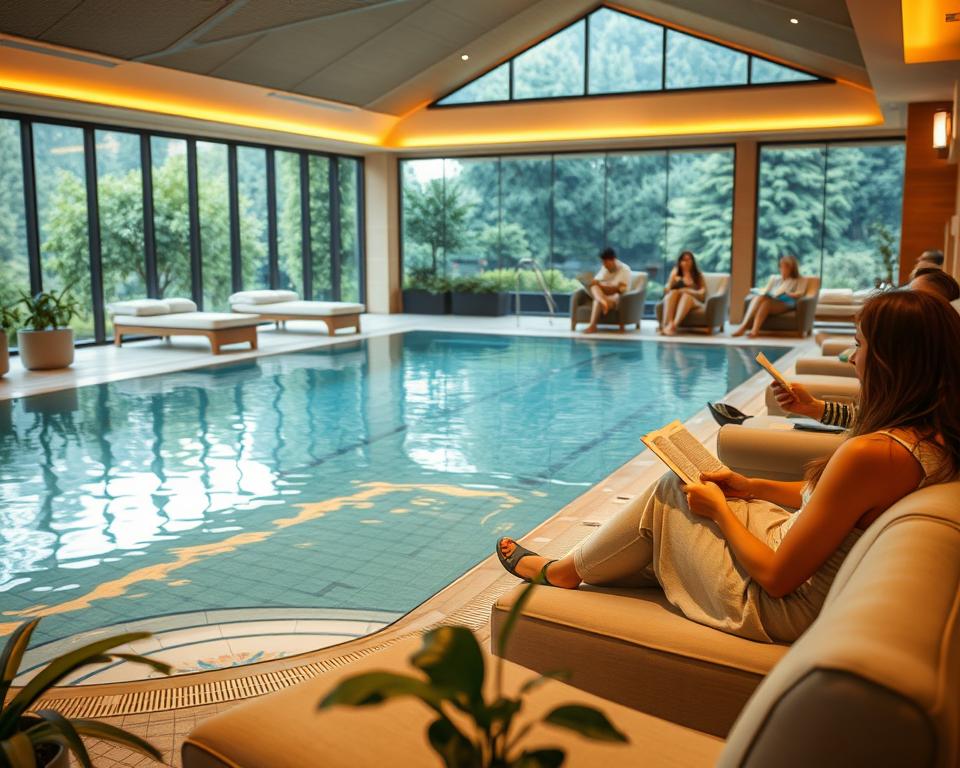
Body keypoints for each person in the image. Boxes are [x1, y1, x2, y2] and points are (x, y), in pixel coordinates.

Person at [497, 290, 959, 643]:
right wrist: (746, 484)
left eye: (859, 345)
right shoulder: (930, 439)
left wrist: (720, 508)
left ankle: (563, 573)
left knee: (671, 488)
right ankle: (591, 564)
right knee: (688, 490)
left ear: (888, 360)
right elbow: (828, 503)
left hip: (780, 608)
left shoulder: (876, 454)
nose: (852, 358)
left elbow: (778, 580)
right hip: (806, 562)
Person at [774, 271, 960, 427]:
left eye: (915, 298)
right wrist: (813, 406)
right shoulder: (921, 408)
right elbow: (868, 419)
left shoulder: (880, 447)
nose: (852, 359)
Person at [733, 255, 806, 338]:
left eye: (785, 267)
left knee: (766, 302)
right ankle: (751, 329)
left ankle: (745, 328)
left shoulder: (800, 279)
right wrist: (761, 291)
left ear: (792, 268)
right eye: (781, 266)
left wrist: (787, 293)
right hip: (772, 299)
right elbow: (766, 291)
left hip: (787, 302)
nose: (782, 269)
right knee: (762, 301)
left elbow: (800, 293)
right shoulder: (775, 278)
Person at [583, 248, 632, 334]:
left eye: (605, 262)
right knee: (594, 287)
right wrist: (597, 283)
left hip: (616, 297)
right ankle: (602, 302)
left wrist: (602, 285)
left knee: (597, 300)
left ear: (613, 260)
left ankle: (593, 324)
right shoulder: (605, 268)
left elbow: (618, 289)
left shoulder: (625, 270)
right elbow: (596, 282)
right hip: (603, 295)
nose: (604, 265)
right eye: (603, 262)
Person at [659, 251, 706, 336]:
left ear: (693, 261)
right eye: (684, 260)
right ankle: (668, 324)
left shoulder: (698, 275)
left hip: (694, 301)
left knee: (686, 296)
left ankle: (674, 326)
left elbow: (702, 292)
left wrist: (687, 290)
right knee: (673, 293)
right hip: (677, 300)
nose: (686, 262)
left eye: (689, 260)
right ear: (680, 262)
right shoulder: (676, 273)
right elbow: (667, 290)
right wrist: (673, 280)